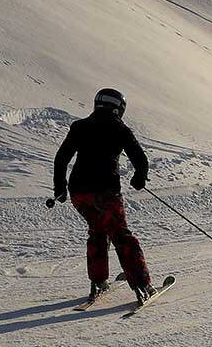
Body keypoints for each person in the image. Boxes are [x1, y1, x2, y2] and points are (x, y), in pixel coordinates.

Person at [54, 88, 159, 304]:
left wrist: (60, 188)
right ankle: (142, 284)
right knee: (121, 235)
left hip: (79, 193)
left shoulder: (79, 126)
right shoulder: (119, 129)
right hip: (105, 193)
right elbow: (140, 159)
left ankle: (99, 281)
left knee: (97, 232)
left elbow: (61, 158)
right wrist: (139, 178)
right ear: (119, 108)